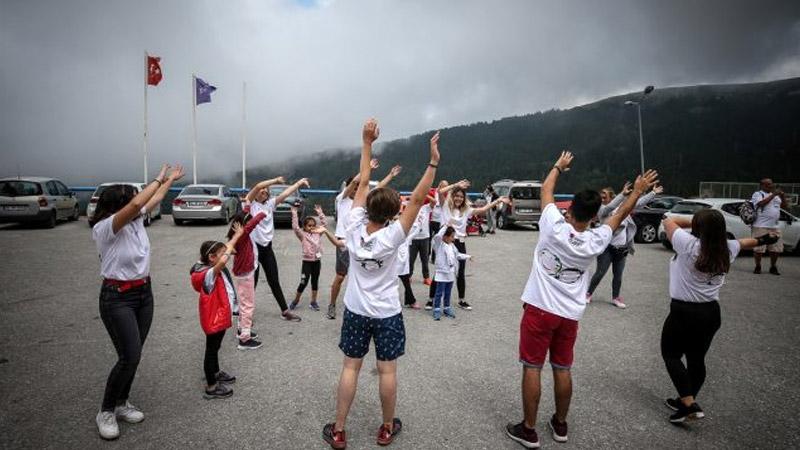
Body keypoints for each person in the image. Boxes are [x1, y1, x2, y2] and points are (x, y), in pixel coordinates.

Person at [505, 151, 658, 448]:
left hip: (539, 310)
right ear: (593, 216)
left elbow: (546, 191)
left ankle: (529, 429)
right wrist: (638, 192)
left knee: (532, 367)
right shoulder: (597, 238)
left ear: (571, 209)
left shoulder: (553, 226)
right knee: (562, 368)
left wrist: (558, 167)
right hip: (569, 316)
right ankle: (560, 425)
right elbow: (620, 214)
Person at [322, 120, 439, 449]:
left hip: (356, 308)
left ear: (369, 207)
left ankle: (340, 430)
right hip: (387, 312)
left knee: (350, 367)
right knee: (387, 372)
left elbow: (360, 184)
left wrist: (366, 142)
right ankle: (386, 428)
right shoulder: (394, 235)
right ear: (392, 213)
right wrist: (432, 162)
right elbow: (417, 200)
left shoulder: (353, 224)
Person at [90, 163, 184, 440]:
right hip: (117, 297)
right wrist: (156, 178)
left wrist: (168, 182)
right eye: (132, 198)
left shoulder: (134, 219)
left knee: (134, 355)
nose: (137, 203)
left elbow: (152, 200)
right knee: (129, 356)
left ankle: (121, 403)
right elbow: (134, 206)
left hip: (144, 293)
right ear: (119, 205)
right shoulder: (106, 227)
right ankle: (106, 410)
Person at [660, 211, 777, 422]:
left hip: (683, 311)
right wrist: (766, 239)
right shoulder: (727, 247)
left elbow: (668, 220)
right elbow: (748, 242)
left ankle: (688, 404)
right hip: (710, 313)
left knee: (671, 355)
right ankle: (684, 400)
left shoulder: (688, 244)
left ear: (698, 227)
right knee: (696, 359)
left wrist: (694, 221)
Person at [326, 162, 401, 320]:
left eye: (359, 186)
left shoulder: (365, 201)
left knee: (361, 275)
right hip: (343, 242)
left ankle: (357, 306)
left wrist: (390, 175)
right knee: (340, 277)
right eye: (355, 186)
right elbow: (354, 183)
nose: (357, 189)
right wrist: (367, 169)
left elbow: (378, 187)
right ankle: (332, 304)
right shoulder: (343, 198)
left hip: (360, 241)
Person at [429, 182, 508, 311]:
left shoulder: (466, 210)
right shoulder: (445, 207)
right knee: (441, 270)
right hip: (445, 242)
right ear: (453, 196)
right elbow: (440, 191)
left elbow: (482, 210)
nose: (459, 198)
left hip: (460, 242)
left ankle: (461, 299)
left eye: (461, 196)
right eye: (456, 196)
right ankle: (431, 298)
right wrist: (456, 185)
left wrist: (497, 200)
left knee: (460, 272)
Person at [190, 226, 247, 400]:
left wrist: (236, 236)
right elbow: (222, 261)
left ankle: (215, 372)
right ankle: (211, 386)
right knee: (211, 349)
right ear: (211, 257)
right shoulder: (205, 273)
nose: (227, 257)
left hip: (220, 315)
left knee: (215, 348)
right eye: (223, 254)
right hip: (213, 318)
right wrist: (232, 244)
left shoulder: (212, 264)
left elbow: (223, 254)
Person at [586, 184, 663, 308]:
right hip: (607, 248)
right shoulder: (603, 210)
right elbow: (610, 206)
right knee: (600, 272)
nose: (602, 199)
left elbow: (638, 203)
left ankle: (616, 297)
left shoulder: (623, 209)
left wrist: (653, 193)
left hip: (621, 248)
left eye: (604, 197)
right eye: (601, 197)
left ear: (612, 197)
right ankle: (588, 293)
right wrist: (623, 195)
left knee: (618, 275)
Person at [245, 176, 310, 322]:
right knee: (252, 283)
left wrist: (299, 183)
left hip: (267, 249)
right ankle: (245, 314)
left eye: (266, 191)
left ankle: (285, 311)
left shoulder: (270, 204)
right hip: (253, 249)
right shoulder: (250, 203)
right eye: (261, 190)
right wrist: (274, 181)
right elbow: (257, 185)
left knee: (274, 280)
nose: (263, 191)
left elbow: (286, 193)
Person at [227, 210, 268, 350]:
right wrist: (263, 213)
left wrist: (248, 206)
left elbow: (248, 222)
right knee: (247, 306)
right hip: (245, 275)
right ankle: (245, 339)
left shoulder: (238, 235)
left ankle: (242, 330)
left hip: (243, 274)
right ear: (243, 224)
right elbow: (251, 224)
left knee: (244, 303)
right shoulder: (243, 234)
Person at [289, 204, 328, 311]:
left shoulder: (318, 233)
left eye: (313, 225)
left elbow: (324, 225)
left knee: (315, 281)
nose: (311, 227)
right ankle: (296, 300)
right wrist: (294, 213)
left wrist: (320, 213)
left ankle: (313, 302)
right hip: (307, 262)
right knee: (303, 282)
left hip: (317, 262)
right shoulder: (303, 235)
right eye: (309, 226)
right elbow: (295, 227)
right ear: (305, 227)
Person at [431, 226, 471, 320]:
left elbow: (458, 255)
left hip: (450, 273)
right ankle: (436, 309)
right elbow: (437, 236)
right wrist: (445, 226)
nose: (453, 239)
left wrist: (468, 256)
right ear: (445, 236)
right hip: (441, 273)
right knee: (439, 292)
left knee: (448, 292)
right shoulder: (438, 244)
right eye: (452, 236)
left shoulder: (452, 246)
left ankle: (446, 307)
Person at [750, 178, 786, 275]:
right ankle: (758, 266)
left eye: (771, 184)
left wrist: (782, 197)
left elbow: (784, 207)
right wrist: (774, 194)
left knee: (776, 249)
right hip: (760, 226)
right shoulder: (758, 194)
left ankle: (773, 266)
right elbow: (761, 204)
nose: (771, 186)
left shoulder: (776, 196)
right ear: (762, 185)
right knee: (759, 249)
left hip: (774, 226)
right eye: (768, 184)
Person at [407, 193, 435, 285]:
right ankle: (408, 276)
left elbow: (434, 202)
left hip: (425, 237)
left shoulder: (426, 208)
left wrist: (425, 194)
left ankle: (426, 277)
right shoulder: (410, 207)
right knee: (411, 259)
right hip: (413, 237)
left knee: (425, 259)